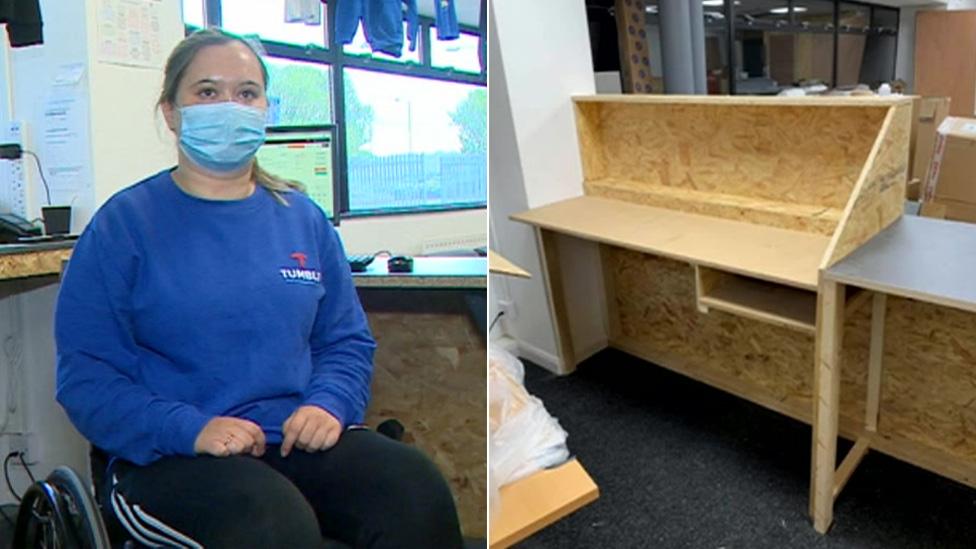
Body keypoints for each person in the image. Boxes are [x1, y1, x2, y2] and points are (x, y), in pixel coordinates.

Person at [54, 28, 464, 549]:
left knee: (414, 489)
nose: (229, 105)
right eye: (207, 92)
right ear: (171, 113)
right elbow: (87, 378)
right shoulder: (123, 227)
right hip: (169, 455)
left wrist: (329, 403)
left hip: (292, 438)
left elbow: (344, 342)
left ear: (266, 108)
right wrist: (190, 428)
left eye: (246, 93)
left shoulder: (303, 220)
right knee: (271, 525)